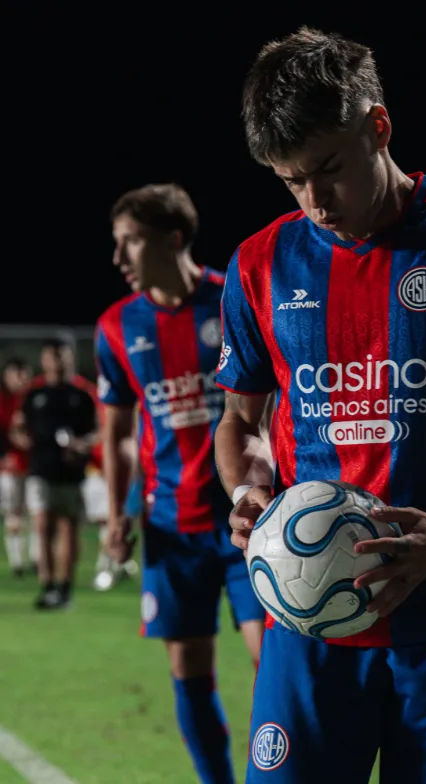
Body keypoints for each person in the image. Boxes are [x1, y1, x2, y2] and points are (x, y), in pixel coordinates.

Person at [215, 27, 426, 783]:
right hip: (308, 627)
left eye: (328, 170)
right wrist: (246, 489)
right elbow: (239, 420)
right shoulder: (260, 263)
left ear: (379, 126)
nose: (315, 202)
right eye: (290, 182)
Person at [95, 183, 265, 784]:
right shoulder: (117, 327)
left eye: (131, 241)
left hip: (250, 518)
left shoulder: (233, 299)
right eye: (116, 243)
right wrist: (117, 513)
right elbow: (118, 432)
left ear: (172, 239)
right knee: (190, 670)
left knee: (273, 662)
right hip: (172, 523)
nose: (118, 257)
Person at [12, 339, 97, 608]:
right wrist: (22, 440)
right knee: (42, 526)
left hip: (71, 472)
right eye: (52, 356)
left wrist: (81, 445)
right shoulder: (34, 394)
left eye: (62, 356)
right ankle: (47, 585)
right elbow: (18, 426)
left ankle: (65, 587)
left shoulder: (82, 394)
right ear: (44, 360)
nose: (58, 362)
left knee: (68, 528)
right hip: (41, 470)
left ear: (70, 359)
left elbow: (96, 430)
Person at [0, 357, 34, 575]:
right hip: (10, 466)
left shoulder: (33, 398)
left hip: (34, 464)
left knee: (35, 512)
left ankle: (36, 558)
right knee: (14, 512)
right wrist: (4, 455)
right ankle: (17, 562)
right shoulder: (3, 400)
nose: (21, 380)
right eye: (17, 374)